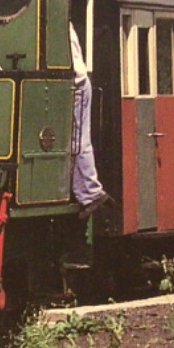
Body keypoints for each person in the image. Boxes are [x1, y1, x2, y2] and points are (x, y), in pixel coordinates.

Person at [70, 24, 111, 218]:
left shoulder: (56, 20)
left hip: (76, 85)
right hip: (77, 83)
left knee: (77, 139)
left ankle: (91, 191)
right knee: (77, 139)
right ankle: (86, 191)